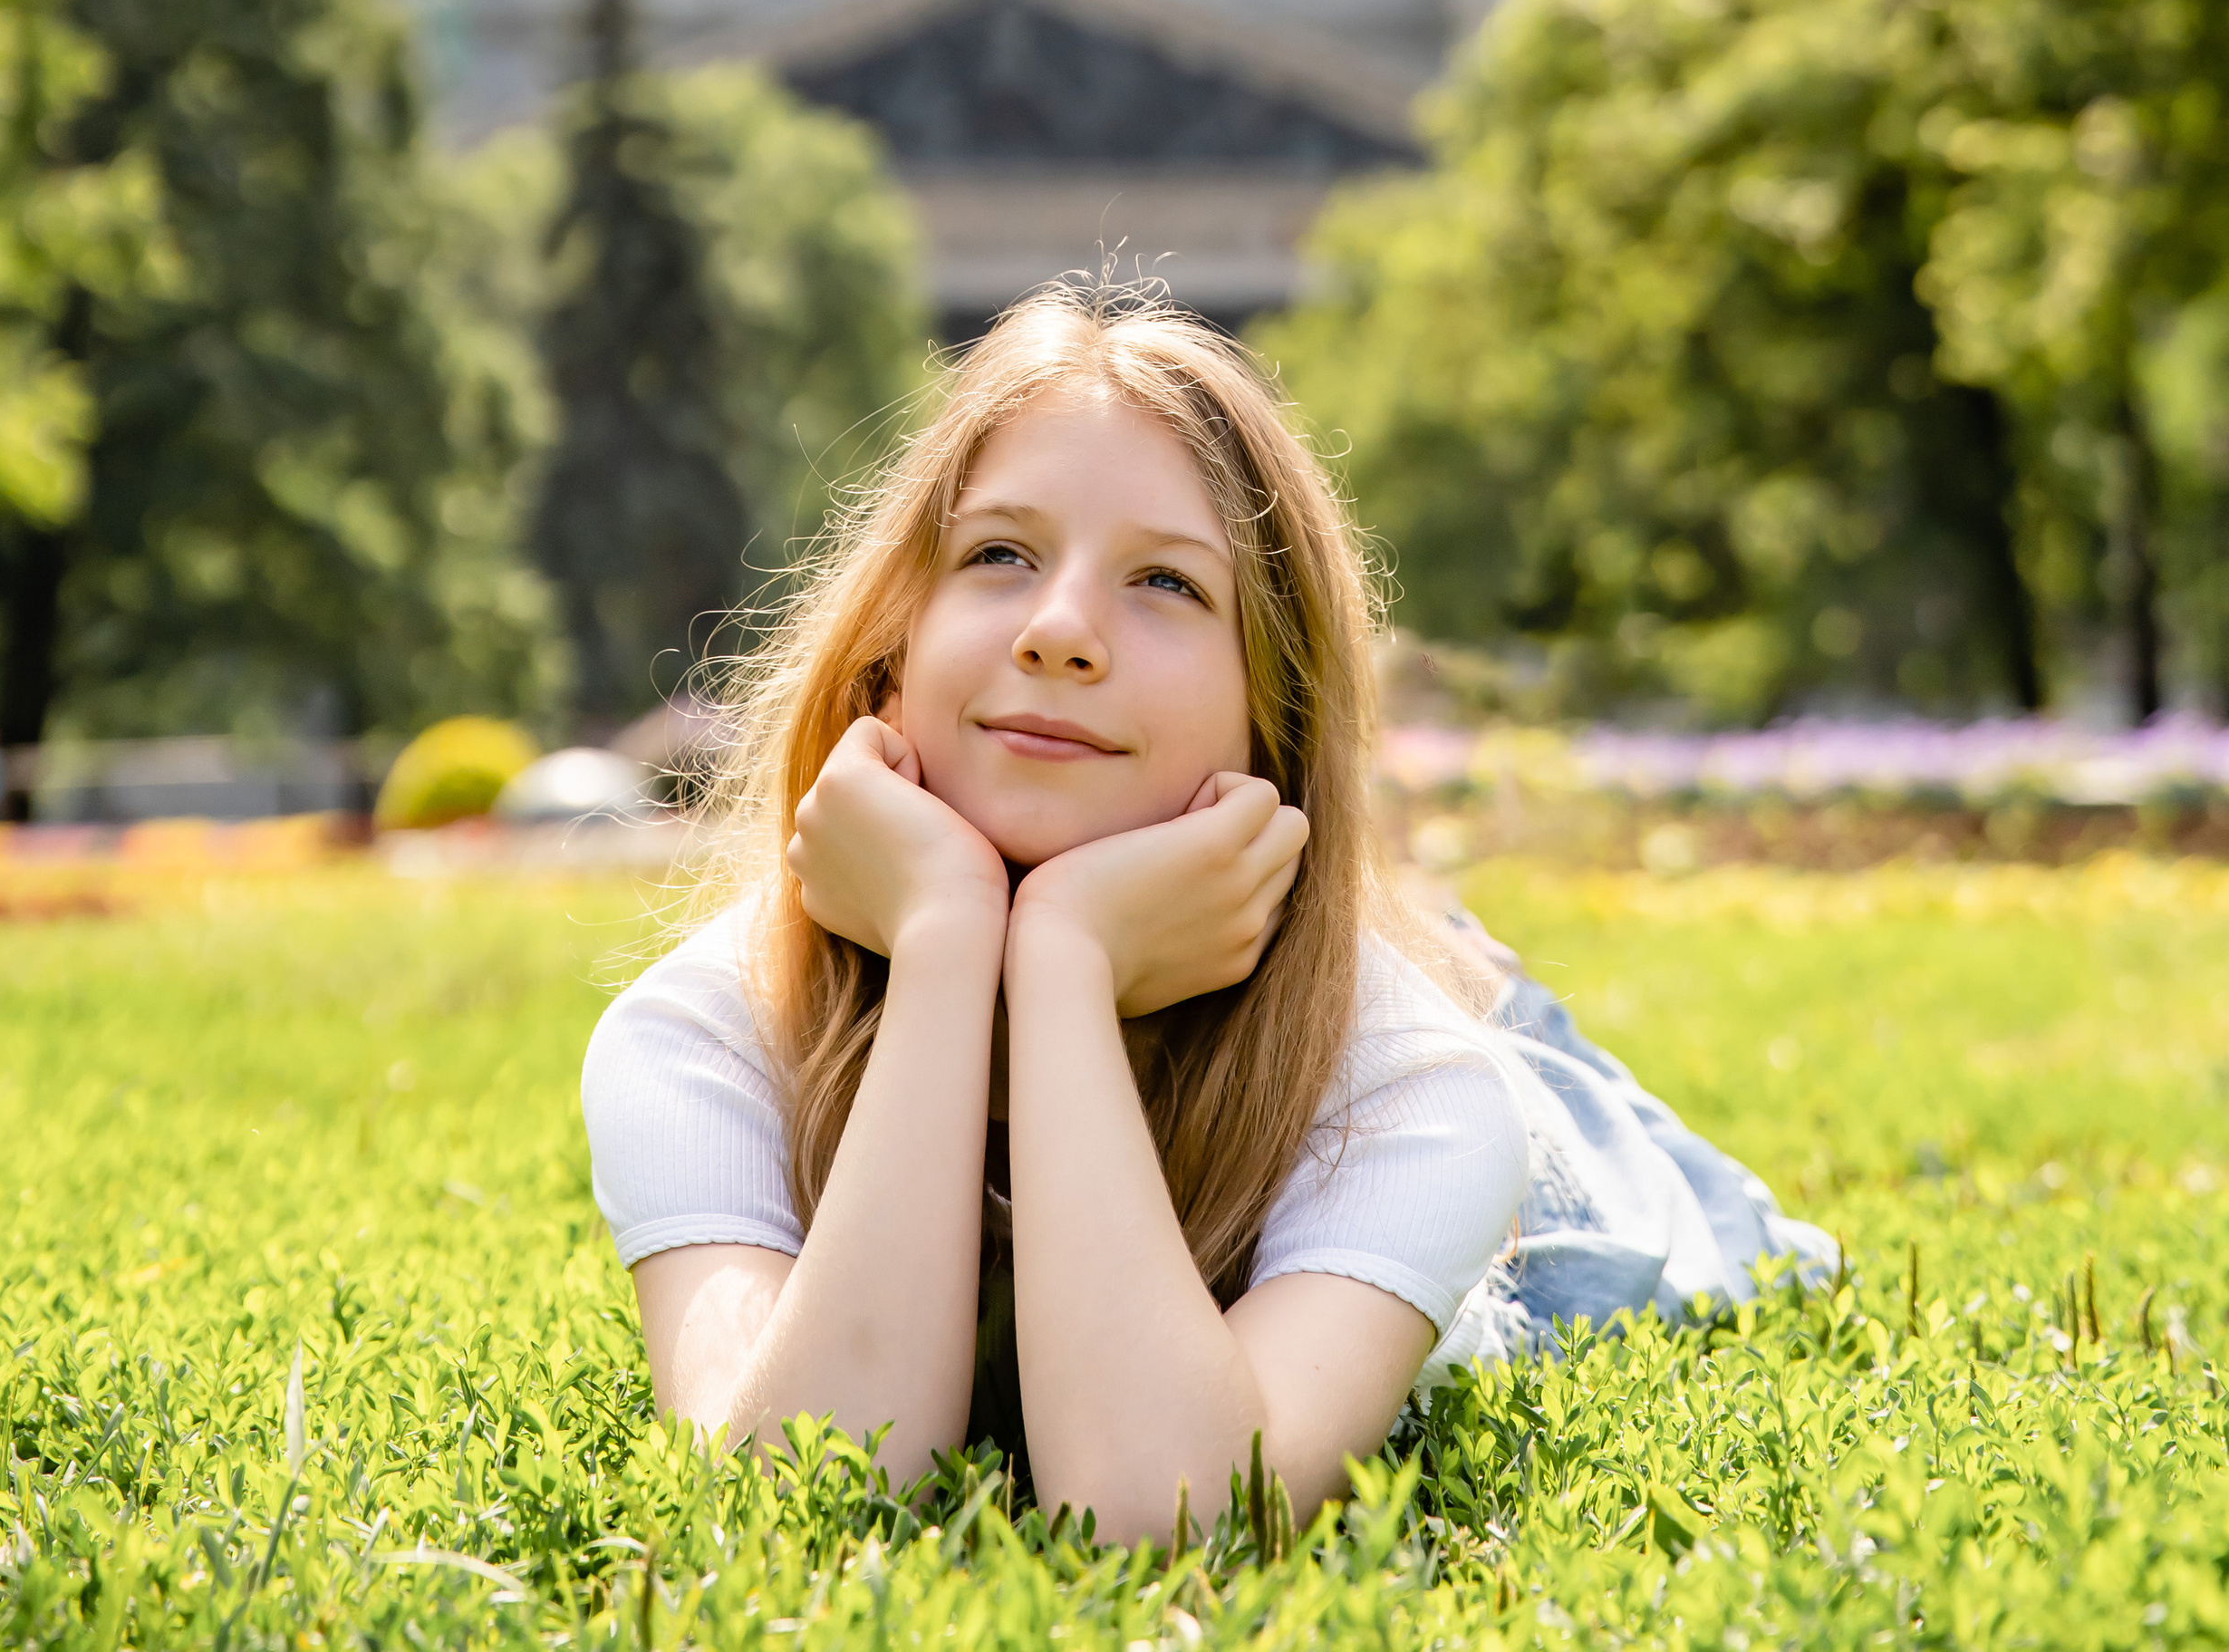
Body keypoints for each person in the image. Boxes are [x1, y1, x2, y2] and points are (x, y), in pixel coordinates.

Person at [583, 288, 1829, 1541]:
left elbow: (1160, 1515)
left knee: (1705, 1223)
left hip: (1544, 1157)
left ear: (1269, 717)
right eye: (1000, 554)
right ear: (889, 654)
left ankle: (1472, 963)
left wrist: (1064, 957)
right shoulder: (703, 1034)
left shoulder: (1408, 1088)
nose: (1061, 631)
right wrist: (950, 943)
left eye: (1169, 583)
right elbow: (802, 1495)